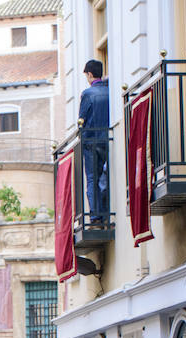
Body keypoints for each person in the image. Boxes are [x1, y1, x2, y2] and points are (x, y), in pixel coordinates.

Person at [78, 58, 110, 222]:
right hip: (108, 139)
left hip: (91, 142)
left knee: (92, 178)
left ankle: (96, 214)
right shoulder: (109, 90)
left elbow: (81, 120)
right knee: (107, 173)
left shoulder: (87, 94)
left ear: (90, 74)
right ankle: (106, 207)